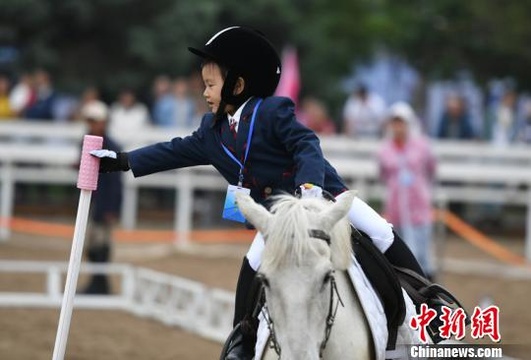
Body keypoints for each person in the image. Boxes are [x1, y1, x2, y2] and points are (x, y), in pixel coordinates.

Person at [90, 27, 435, 358]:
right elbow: (173, 151)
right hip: (276, 218)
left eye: (210, 85)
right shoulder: (210, 131)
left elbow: (307, 144)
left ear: (237, 85)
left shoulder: (272, 111)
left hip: (322, 196)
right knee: (251, 266)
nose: (205, 93)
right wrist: (123, 161)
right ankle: (243, 337)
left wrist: (311, 190)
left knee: (379, 231)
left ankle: (430, 303)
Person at [378, 102, 437, 280]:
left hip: (419, 208)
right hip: (396, 210)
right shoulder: (384, 150)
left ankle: (431, 294)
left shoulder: (422, 146)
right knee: (400, 253)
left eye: (401, 122)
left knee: (423, 254)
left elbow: (431, 169)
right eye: (395, 123)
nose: (398, 127)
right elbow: (383, 174)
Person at [80, 100, 123, 294]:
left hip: (104, 204)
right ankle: (97, 282)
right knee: (93, 245)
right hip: (94, 203)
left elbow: (115, 183)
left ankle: (100, 283)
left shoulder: (111, 146)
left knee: (101, 245)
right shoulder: (87, 142)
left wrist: (112, 209)